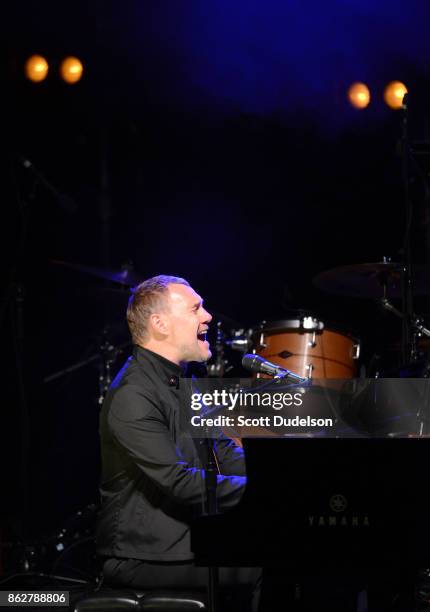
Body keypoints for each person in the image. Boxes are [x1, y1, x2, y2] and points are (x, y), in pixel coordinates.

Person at [96, 275, 260, 610]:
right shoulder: (133, 394)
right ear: (160, 324)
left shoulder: (189, 384)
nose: (208, 317)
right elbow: (181, 482)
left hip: (188, 541)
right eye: (195, 308)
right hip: (143, 556)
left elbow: (226, 455)